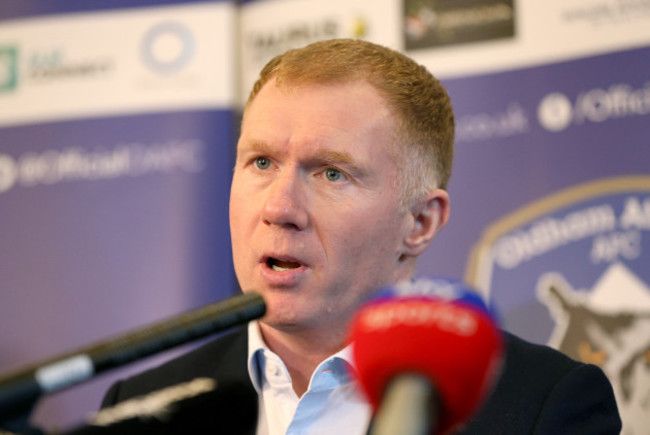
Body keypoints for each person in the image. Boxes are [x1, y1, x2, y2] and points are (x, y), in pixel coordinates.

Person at [101, 39, 621, 434]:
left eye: (331, 173)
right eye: (261, 162)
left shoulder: (544, 403)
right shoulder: (143, 405)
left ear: (419, 222)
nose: (280, 208)